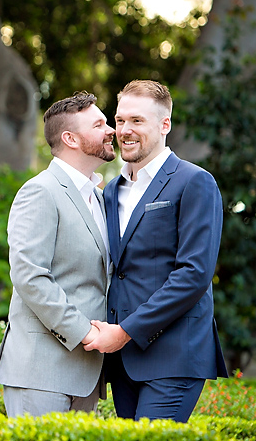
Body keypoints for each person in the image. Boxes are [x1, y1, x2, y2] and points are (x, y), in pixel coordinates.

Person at [84, 79, 228, 423]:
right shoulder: (109, 192)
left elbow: (194, 275)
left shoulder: (194, 182)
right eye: (120, 121)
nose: (124, 130)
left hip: (174, 353)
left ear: (165, 124)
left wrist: (125, 331)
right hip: (122, 360)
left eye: (137, 121)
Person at [0, 91, 115, 417]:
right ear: (70, 138)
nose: (111, 130)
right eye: (99, 124)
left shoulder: (101, 200)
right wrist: (86, 332)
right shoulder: (40, 191)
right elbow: (30, 276)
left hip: (87, 374)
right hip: (40, 372)